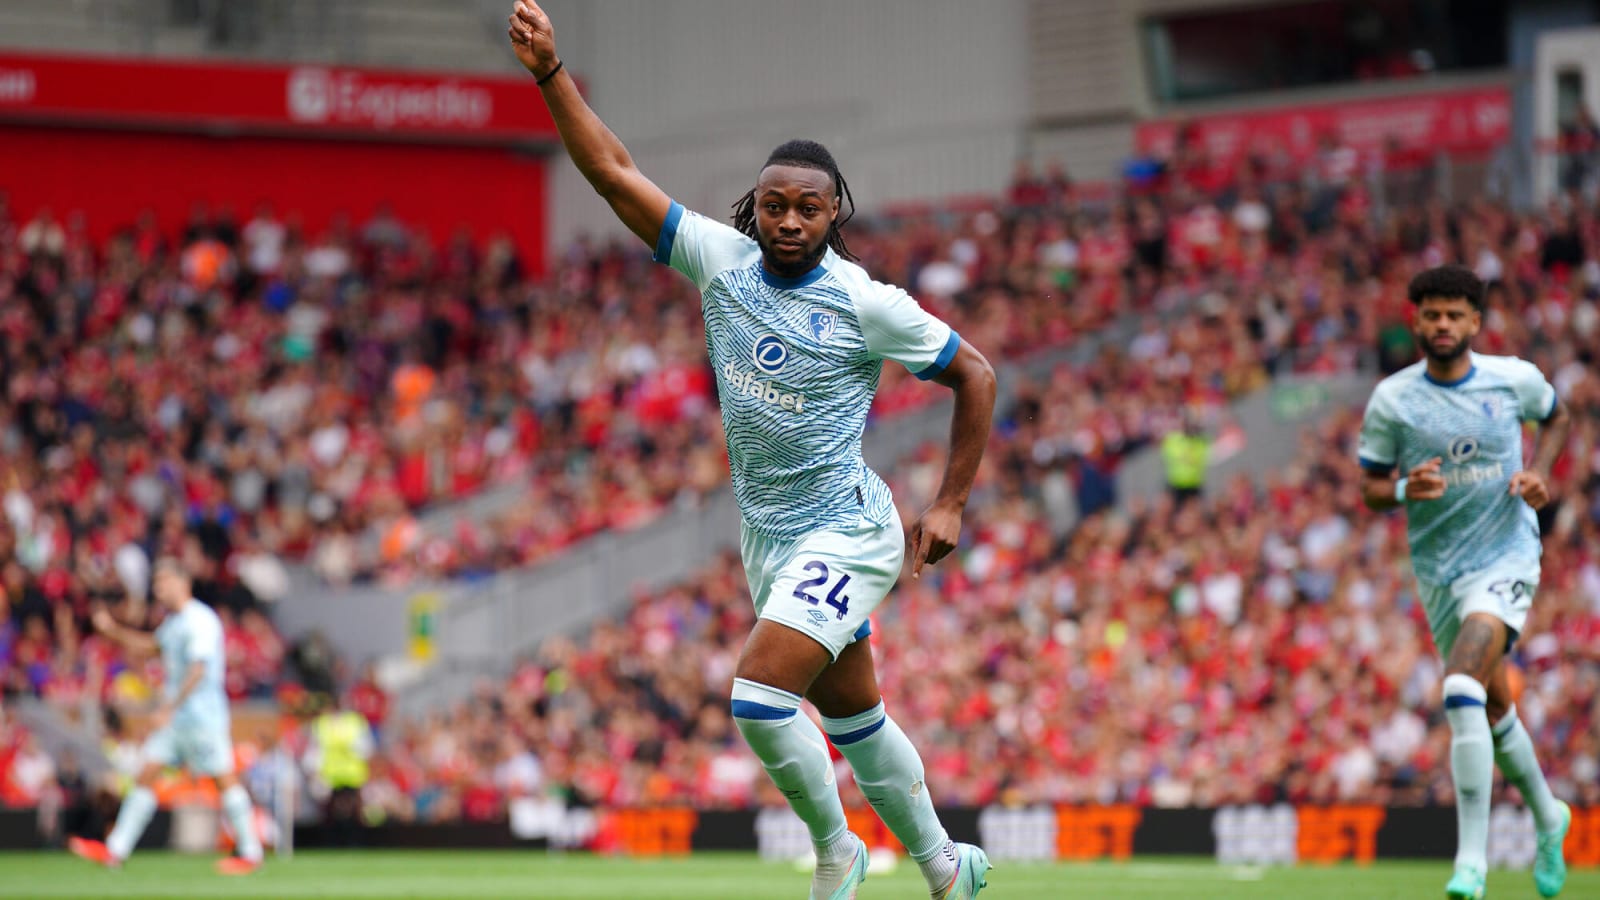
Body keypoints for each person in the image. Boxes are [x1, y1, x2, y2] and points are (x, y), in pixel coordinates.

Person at [507, 5, 998, 897]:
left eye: (808, 208)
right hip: (770, 541)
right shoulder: (720, 262)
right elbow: (614, 173)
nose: (788, 221)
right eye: (773, 205)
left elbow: (976, 373)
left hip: (849, 531)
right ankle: (945, 867)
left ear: (833, 213)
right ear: (754, 206)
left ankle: (836, 849)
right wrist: (550, 74)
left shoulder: (866, 301)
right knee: (855, 719)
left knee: (759, 700)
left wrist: (952, 500)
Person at [1357, 265, 1572, 899]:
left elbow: (1557, 417)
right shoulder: (1393, 400)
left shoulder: (1513, 380)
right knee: (1493, 706)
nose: (1443, 324)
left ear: (1475, 322)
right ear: (1415, 322)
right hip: (1438, 572)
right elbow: (1370, 488)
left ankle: (1470, 865)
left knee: (1458, 687)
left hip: (1506, 558)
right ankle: (1548, 815)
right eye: (1432, 315)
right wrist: (1400, 489)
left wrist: (1542, 472)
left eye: (1455, 314)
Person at [68, 558, 263, 875]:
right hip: (176, 720)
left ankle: (251, 852)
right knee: (146, 774)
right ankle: (115, 850)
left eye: (164, 581)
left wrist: (167, 707)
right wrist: (113, 631)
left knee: (223, 779)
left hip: (202, 718)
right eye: (156, 582)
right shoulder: (173, 624)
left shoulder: (200, 620)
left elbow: (199, 670)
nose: (158, 588)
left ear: (183, 582)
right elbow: (150, 647)